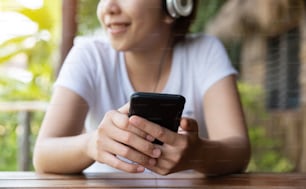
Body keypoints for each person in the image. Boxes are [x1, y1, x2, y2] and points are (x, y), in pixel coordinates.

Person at [33, 0, 251, 176]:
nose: (108, 7)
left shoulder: (205, 52)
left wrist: (198, 154)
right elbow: (43, 154)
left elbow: (239, 150)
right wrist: (91, 143)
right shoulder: (88, 56)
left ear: (173, 5)